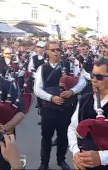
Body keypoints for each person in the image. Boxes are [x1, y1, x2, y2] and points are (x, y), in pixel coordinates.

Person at [34, 41, 86, 170]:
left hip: (67, 107)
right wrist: (51, 98)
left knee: (64, 136)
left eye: (58, 49)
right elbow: (37, 89)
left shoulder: (70, 65)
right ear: (47, 52)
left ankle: (61, 160)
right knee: (46, 137)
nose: (56, 52)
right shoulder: (42, 68)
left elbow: (83, 81)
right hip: (49, 108)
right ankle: (44, 162)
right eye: (53, 50)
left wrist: (72, 92)